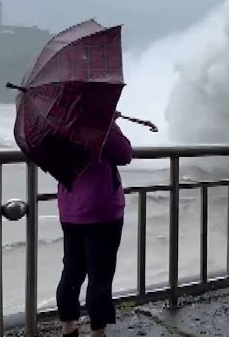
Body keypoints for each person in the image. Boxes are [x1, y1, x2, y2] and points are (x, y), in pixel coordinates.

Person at [55, 119, 132, 337]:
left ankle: (68, 328)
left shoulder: (56, 123)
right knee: (100, 276)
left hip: (70, 209)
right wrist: (108, 122)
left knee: (71, 271)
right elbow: (125, 153)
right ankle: (97, 332)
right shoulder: (97, 119)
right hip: (102, 211)